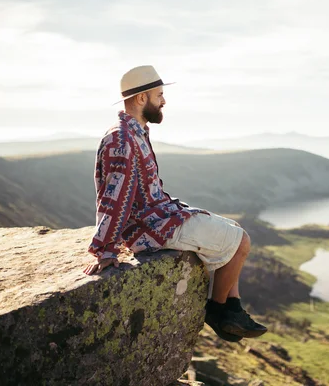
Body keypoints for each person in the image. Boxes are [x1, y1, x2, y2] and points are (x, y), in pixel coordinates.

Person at [83, 65, 267, 342]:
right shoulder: (121, 139)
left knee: (233, 229)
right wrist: (104, 249)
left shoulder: (136, 132)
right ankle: (217, 311)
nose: (164, 101)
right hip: (149, 227)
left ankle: (233, 308)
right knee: (240, 240)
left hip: (159, 215)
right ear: (142, 98)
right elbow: (114, 197)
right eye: (159, 95)